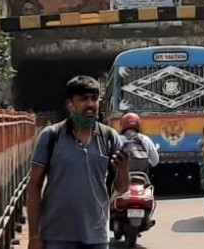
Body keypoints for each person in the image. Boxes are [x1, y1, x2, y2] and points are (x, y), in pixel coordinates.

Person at [27, 76, 130, 249]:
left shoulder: (110, 138)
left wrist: (123, 169)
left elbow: (121, 189)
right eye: (83, 99)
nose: (90, 104)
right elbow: (34, 186)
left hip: (96, 238)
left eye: (94, 98)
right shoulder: (51, 136)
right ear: (70, 105)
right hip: (56, 237)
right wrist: (34, 236)